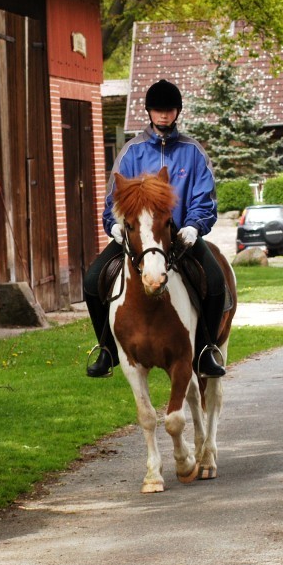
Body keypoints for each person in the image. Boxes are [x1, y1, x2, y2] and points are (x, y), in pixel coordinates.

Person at [83, 78, 228, 379]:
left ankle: (206, 350)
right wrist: (114, 225)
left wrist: (194, 227)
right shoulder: (131, 152)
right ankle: (107, 349)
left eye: (169, 109)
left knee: (216, 282)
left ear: (177, 112)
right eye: (158, 109)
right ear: (149, 112)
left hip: (181, 239)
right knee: (92, 280)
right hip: (137, 239)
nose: (164, 115)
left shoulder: (193, 152)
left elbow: (205, 197)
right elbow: (113, 199)